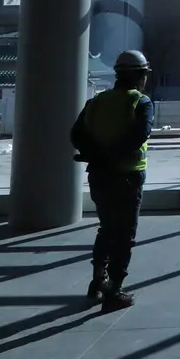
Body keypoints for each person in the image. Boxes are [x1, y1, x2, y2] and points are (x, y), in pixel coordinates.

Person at [70, 50, 153, 311]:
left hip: (99, 174)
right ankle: (114, 290)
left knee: (107, 228)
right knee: (125, 234)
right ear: (141, 76)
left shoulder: (97, 102)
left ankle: (98, 280)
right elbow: (139, 135)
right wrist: (113, 155)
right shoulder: (140, 102)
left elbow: (76, 134)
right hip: (127, 176)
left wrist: (96, 154)